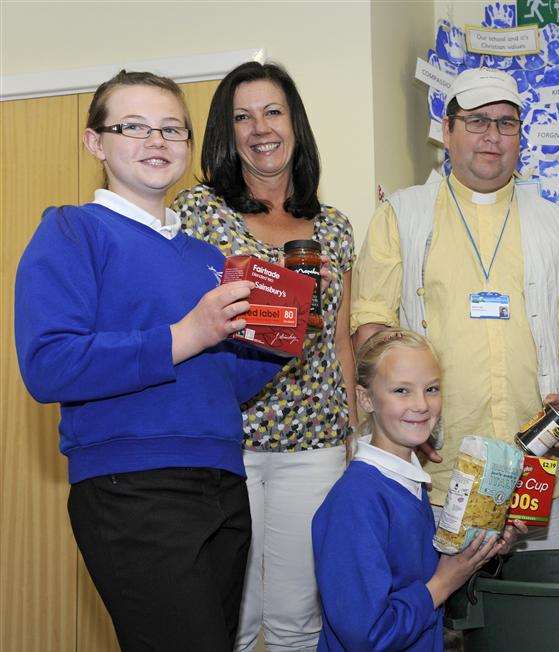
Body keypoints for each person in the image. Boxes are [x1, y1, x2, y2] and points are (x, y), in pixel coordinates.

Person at [14, 70, 283, 650]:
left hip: (223, 483)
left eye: (171, 129)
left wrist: (279, 340)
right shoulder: (72, 230)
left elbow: (217, 383)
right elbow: (49, 365)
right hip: (131, 488)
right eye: (133, 127)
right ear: (95, 142)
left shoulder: (208, 256)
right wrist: (188, 333)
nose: (156, 141)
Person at [351, 67, 559, 549]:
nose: (493, 136)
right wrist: (403, 409)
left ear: (520, 137)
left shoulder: (555, 226)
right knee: (440, 606)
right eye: (477, 121)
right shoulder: (402, 216)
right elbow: (371, 324)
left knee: (541, 609)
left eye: (507, 123)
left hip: (536, 463)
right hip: (433, 464)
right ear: (447, 131)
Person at [172, 61, 357, 652]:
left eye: (273, 111)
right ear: (228, 133)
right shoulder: (197, 213)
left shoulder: (333, 227)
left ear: (295, 124)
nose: (260, 128)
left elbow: (339, 338)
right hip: (231, 440)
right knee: (233, 617)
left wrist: (352, 426)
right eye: (242, 116)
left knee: (298, 619)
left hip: (316, 442)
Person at [311, 329, 521, 651]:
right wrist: (441, 584)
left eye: (431, 389)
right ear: (366, 399)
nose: (421, 404)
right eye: (401, 390)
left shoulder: (408, 483)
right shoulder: (356, 501)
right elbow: (366, 635)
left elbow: (416, 582)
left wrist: (478, 551)